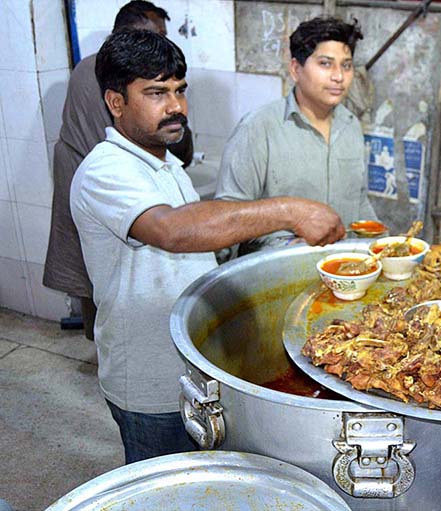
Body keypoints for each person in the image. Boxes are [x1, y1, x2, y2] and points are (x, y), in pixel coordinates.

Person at [70, 29, 344, 464]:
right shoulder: (106, 169)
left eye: (179, 90)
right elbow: (174, 231)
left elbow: (199, 240)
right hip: (151, 385)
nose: (176, 106)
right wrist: (289, 210)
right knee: (166, 491)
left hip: (192, 373)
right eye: (156, 93)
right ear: (116, 102)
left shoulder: (165, 164)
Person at [43, 1, 193, 341]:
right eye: (154, 38)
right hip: (90, 174)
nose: (159, 49)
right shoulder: (101, 80)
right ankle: (107, 347)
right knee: (103, 277)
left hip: (98, 174)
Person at [215, 17, 376, 256]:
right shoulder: (258, 129)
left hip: (344, 273)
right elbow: (227, 221)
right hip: (275, 278)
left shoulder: (351, 126)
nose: (339, 77)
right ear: (295, 69)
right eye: (325, 63)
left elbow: (359, 200)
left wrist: (387, 245)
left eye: (346, 65)